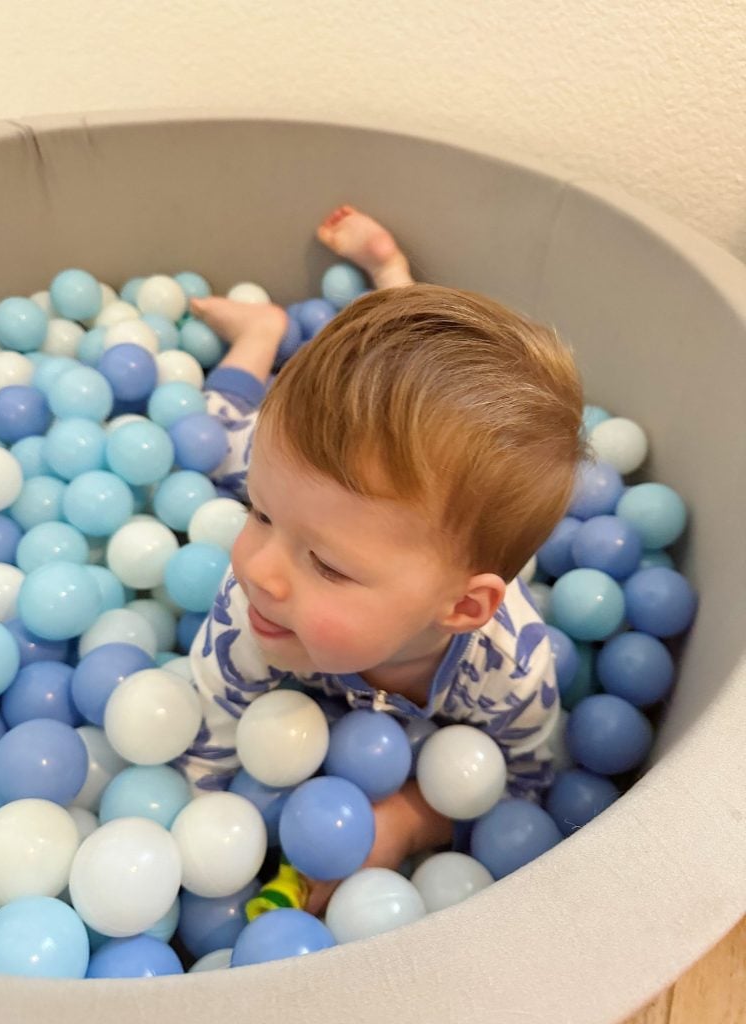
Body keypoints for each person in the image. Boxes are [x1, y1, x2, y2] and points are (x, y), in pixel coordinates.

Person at [178, 205, 585, 912]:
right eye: (258, 513)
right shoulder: (254, 612)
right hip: (313, 466)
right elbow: (207, 737)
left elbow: (528, 782)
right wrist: (208, 837)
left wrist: (408, 818)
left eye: (328, 567)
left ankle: (391, 281)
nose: (259, 569)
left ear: (461, 608)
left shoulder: (511, 670)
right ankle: (262, 333)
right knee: (214, 440)